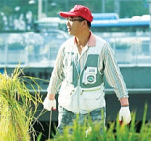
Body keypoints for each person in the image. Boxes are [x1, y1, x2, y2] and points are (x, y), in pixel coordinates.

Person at [42, 5, 131, 134]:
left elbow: (115, 77)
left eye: (72, 19)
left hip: (94, 110)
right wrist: (50, 96)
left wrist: (125, 105)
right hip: (67, 108)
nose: (67, 23)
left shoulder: (102, 48)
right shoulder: (65, 48)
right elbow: (57, 74)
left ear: (84, 23)